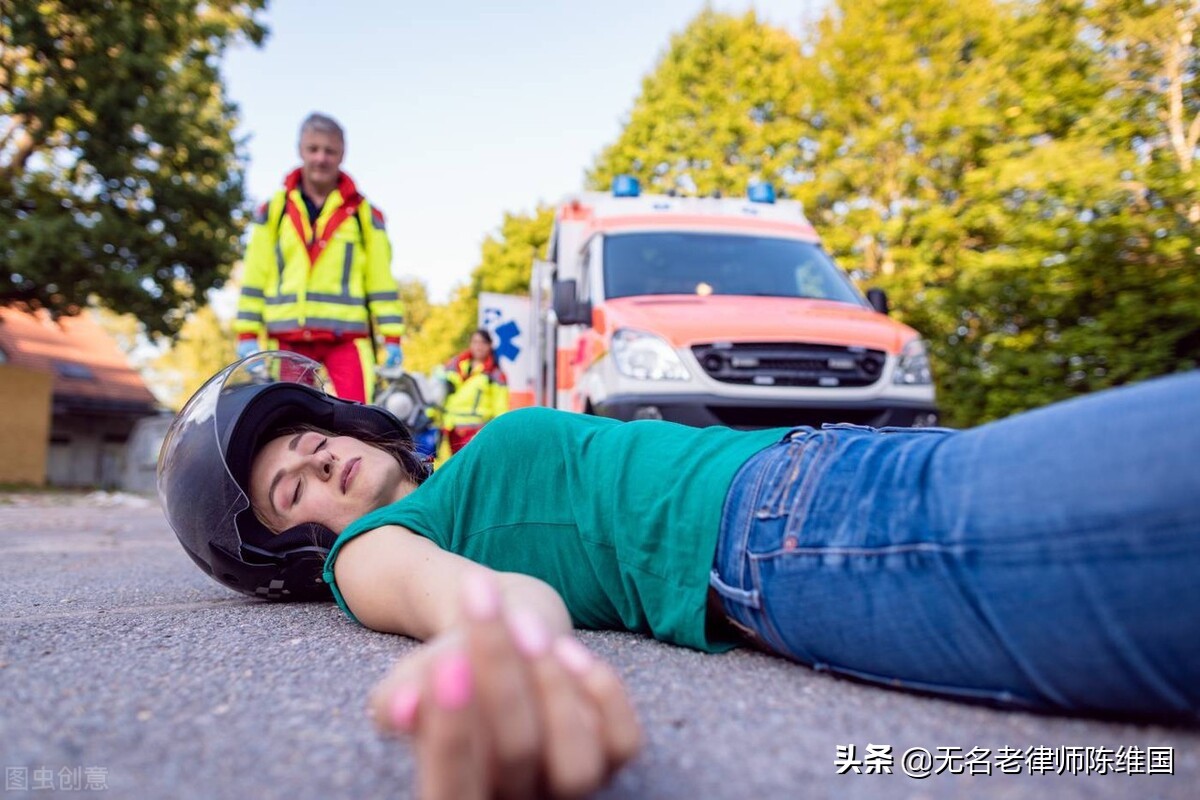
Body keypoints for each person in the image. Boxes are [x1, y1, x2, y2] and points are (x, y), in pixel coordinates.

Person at [158, 352, 1200, 799]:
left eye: (302, 438)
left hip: (821, 466)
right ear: (298, 551)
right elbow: (453, 593)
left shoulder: (456, 462)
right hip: (797, 531)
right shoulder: (373, 549)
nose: (314, 462)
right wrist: (500, 645)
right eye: (291, 491)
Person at [233, 113, 405, 403]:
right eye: (313, 149)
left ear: (342, 154)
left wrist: (392, 337)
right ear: (300, 150)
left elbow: (381, 281)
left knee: (362, 420)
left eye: (330, 150)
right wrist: (247, 333)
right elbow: (254, 276)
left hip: (347, 341)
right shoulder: (273, 212)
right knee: (290, 422)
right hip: (288, 340)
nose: (321, 158)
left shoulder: (364, 215)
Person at [434, 328, 509, 456]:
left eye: (482, 343)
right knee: (449, 471)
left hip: (476, 433)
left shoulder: (495, 375)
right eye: (475, 342)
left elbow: (500, 409)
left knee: (470, 471)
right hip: (449, 430)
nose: (478, 346)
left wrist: (497, 433)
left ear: (489, 346)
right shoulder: (454, 366)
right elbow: (439, 394)